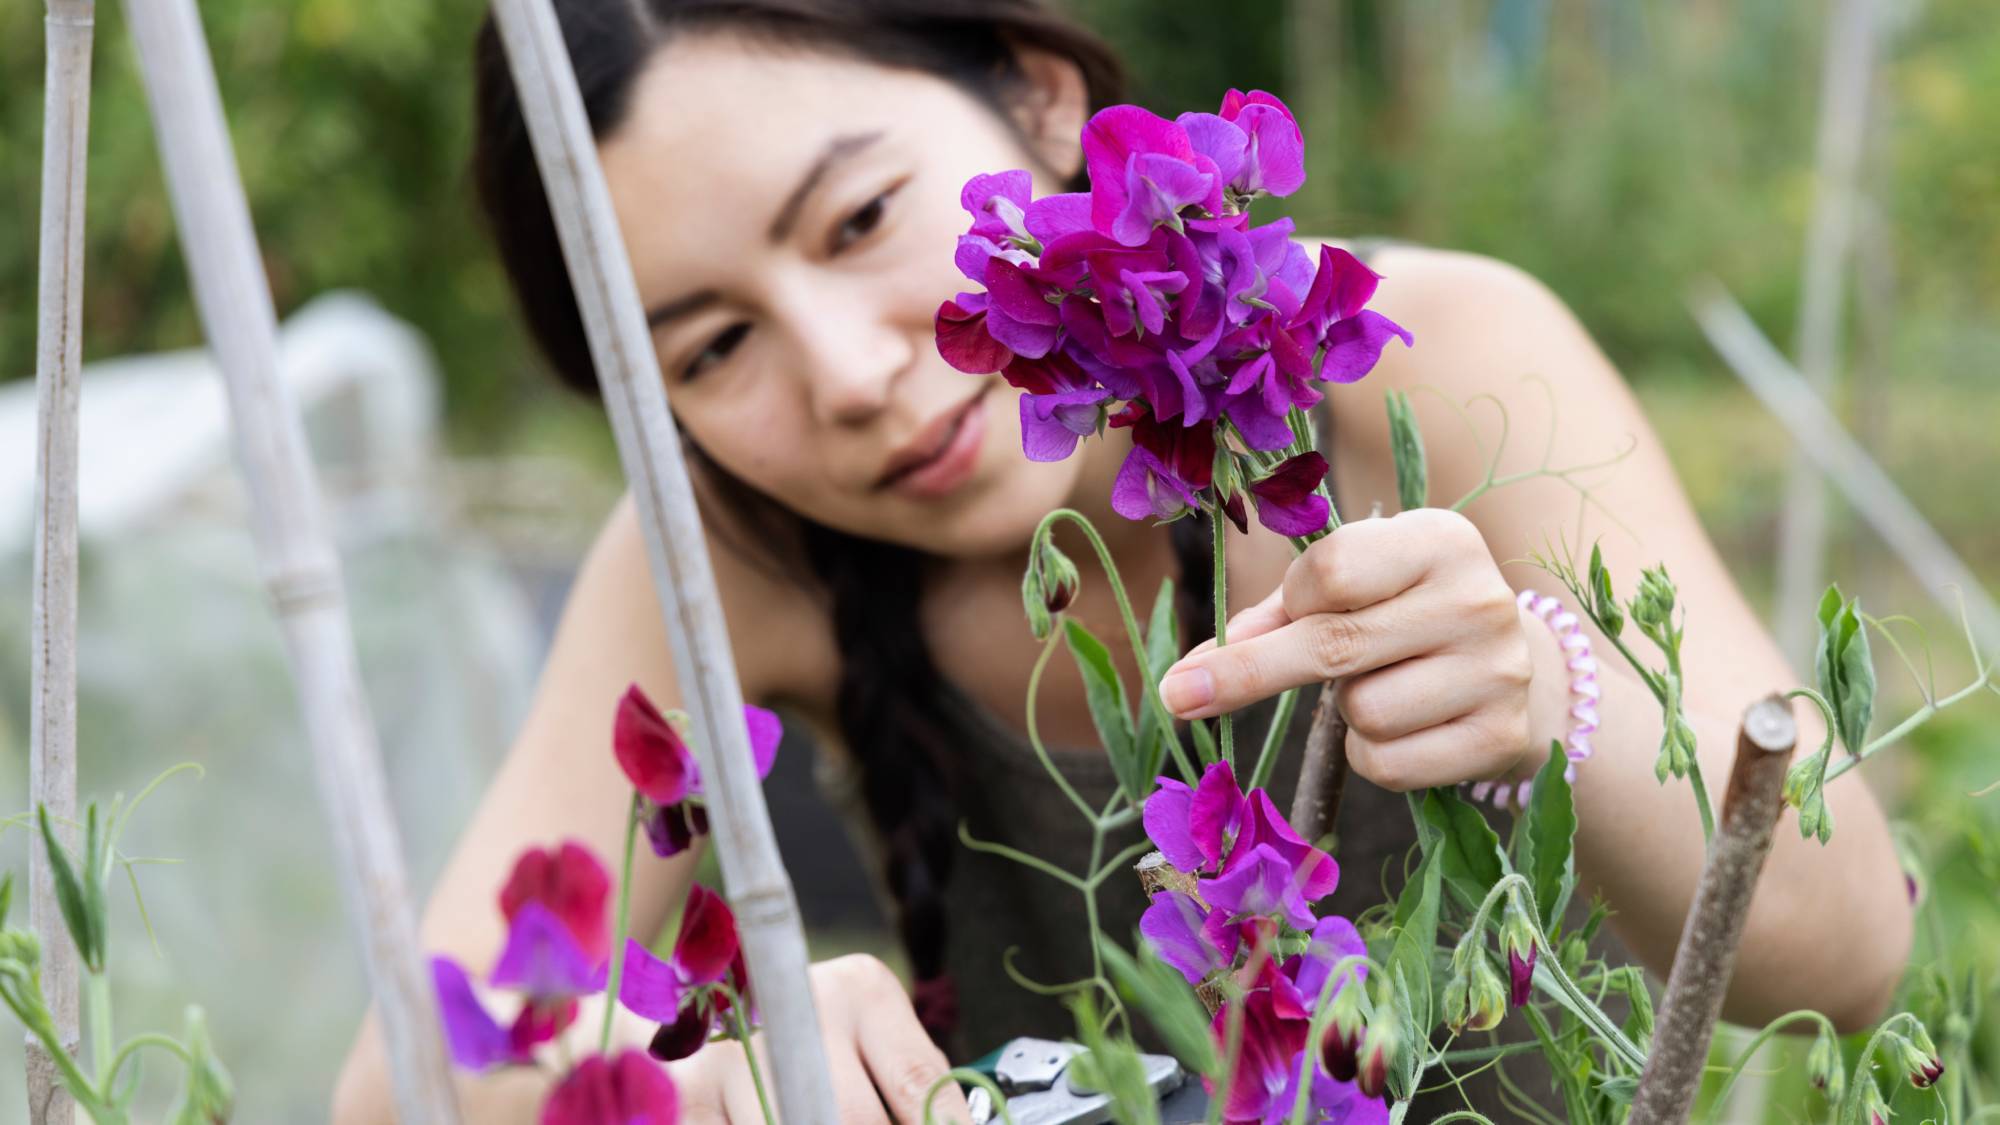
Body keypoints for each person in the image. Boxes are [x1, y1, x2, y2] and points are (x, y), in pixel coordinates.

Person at [331, 1, 1913, 1119]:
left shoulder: (1426, 364)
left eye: (863, 216)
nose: (848, 372)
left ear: (1035, 97)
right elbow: (403, 1070)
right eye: (714, 342)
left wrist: (1550, 698)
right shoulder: (729, 548)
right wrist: (694, 1062)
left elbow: (1845, 953)